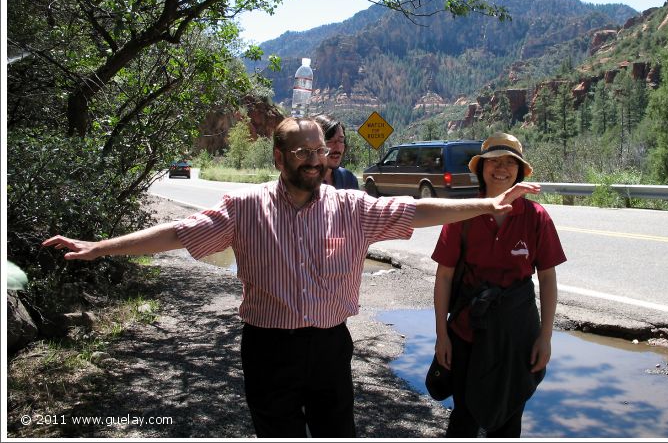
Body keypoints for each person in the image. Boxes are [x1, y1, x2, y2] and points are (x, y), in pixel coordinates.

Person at [42, 118, 541, 438]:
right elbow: (177, 232)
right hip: (268, 347)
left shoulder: (351, 208)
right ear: (279, 158)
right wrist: (100, 247)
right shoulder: (244, 208)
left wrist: (485, 203)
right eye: (301, 152)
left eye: (320, 151)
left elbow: (415, 208)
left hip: (329, 346)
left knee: (335, 432)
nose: (314, 160)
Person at [431, 131, 566, 438]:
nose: (501, 168)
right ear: (481, 168)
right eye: (494, 161)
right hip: (467, 331)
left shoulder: (536, 217)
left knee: (508, 415)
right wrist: (442, 335)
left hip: (517, 334)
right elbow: (444, 276)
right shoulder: (462, 215)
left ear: (519, 171)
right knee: (465, 415)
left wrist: (545, 338)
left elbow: (547, 278)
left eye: (510, 162)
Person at [312, 113, 359, 190]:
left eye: (341, 140)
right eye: (329, 140)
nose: (338, 147)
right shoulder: (304, 183)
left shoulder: (349, 179)